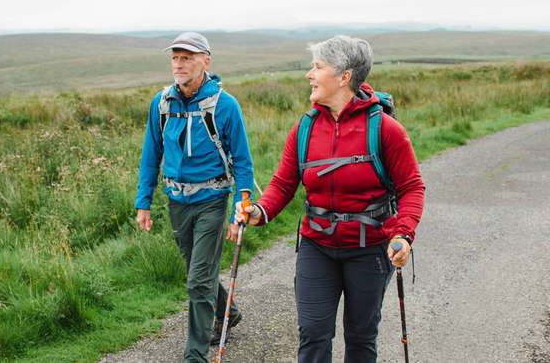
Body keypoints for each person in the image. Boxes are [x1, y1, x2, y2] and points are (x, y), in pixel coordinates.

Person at [235, 35, 425, 362]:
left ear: (344, 76)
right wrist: (260, 211)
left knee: (361, 337)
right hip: (317, 246)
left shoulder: (385, 129)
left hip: (370, 249)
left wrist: (403, 234)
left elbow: (412, 187)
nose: (309, 75)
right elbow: (283, 183)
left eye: (317, 67)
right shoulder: (305, 128)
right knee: (313, 333)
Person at [135, 31, 256, 363]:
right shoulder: (161, 103)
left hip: (212, 200)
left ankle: (195, 356)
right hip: (177, 201)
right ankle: (228, 312)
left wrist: (240, 209)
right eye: (175, 58)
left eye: (186, 58)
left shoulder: (225, 105)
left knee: (198, 280)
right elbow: (151, 154)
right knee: (196, 272)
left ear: (206, 61)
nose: (179, 64)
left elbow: (243, 162)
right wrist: (143, 201)